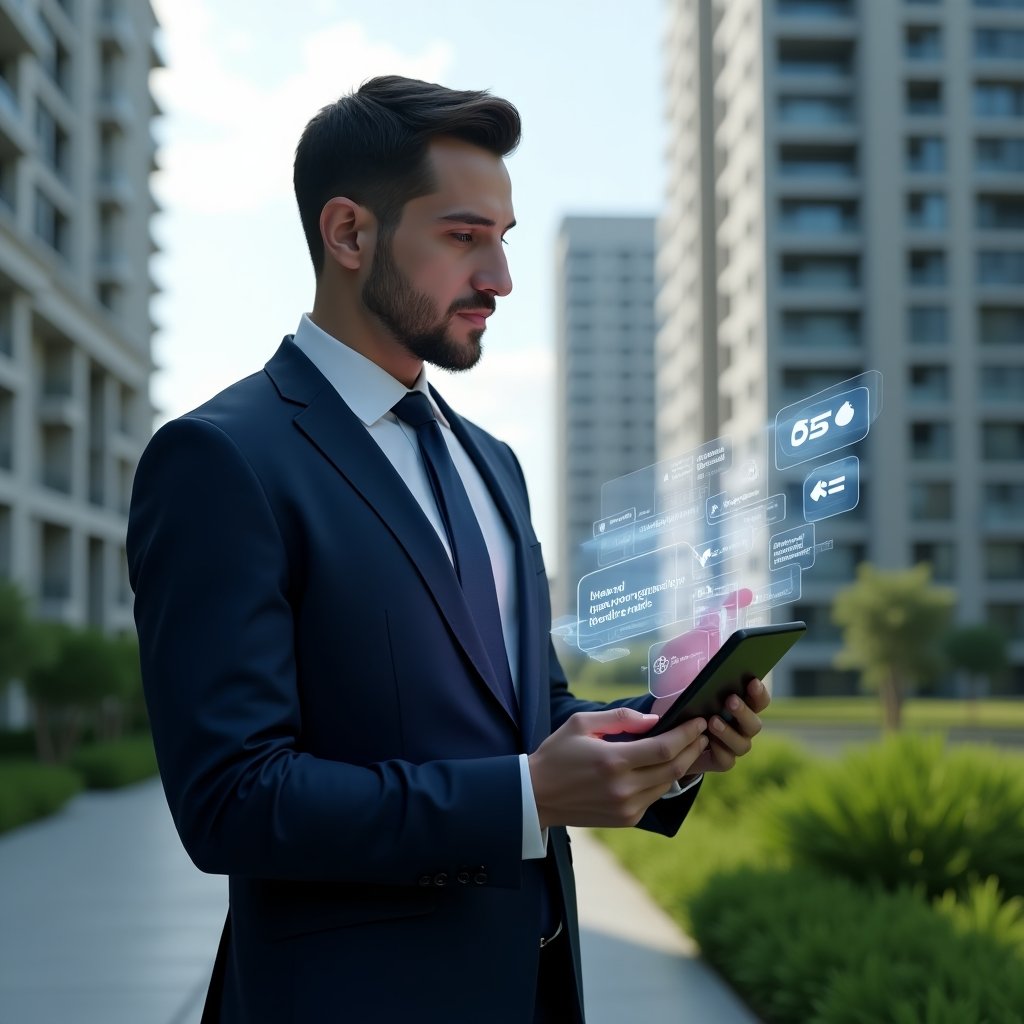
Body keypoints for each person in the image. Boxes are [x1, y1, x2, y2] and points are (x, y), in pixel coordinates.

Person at [127, 75, 770, 1024]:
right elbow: (233, 798)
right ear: (349, 234)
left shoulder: (492, 463)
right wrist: (523, 797)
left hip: (533, 992)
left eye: (504, 241)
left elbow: (529, 713)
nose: (500, 281)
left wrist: (667, 737)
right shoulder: (222, 459)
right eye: (466, 238)